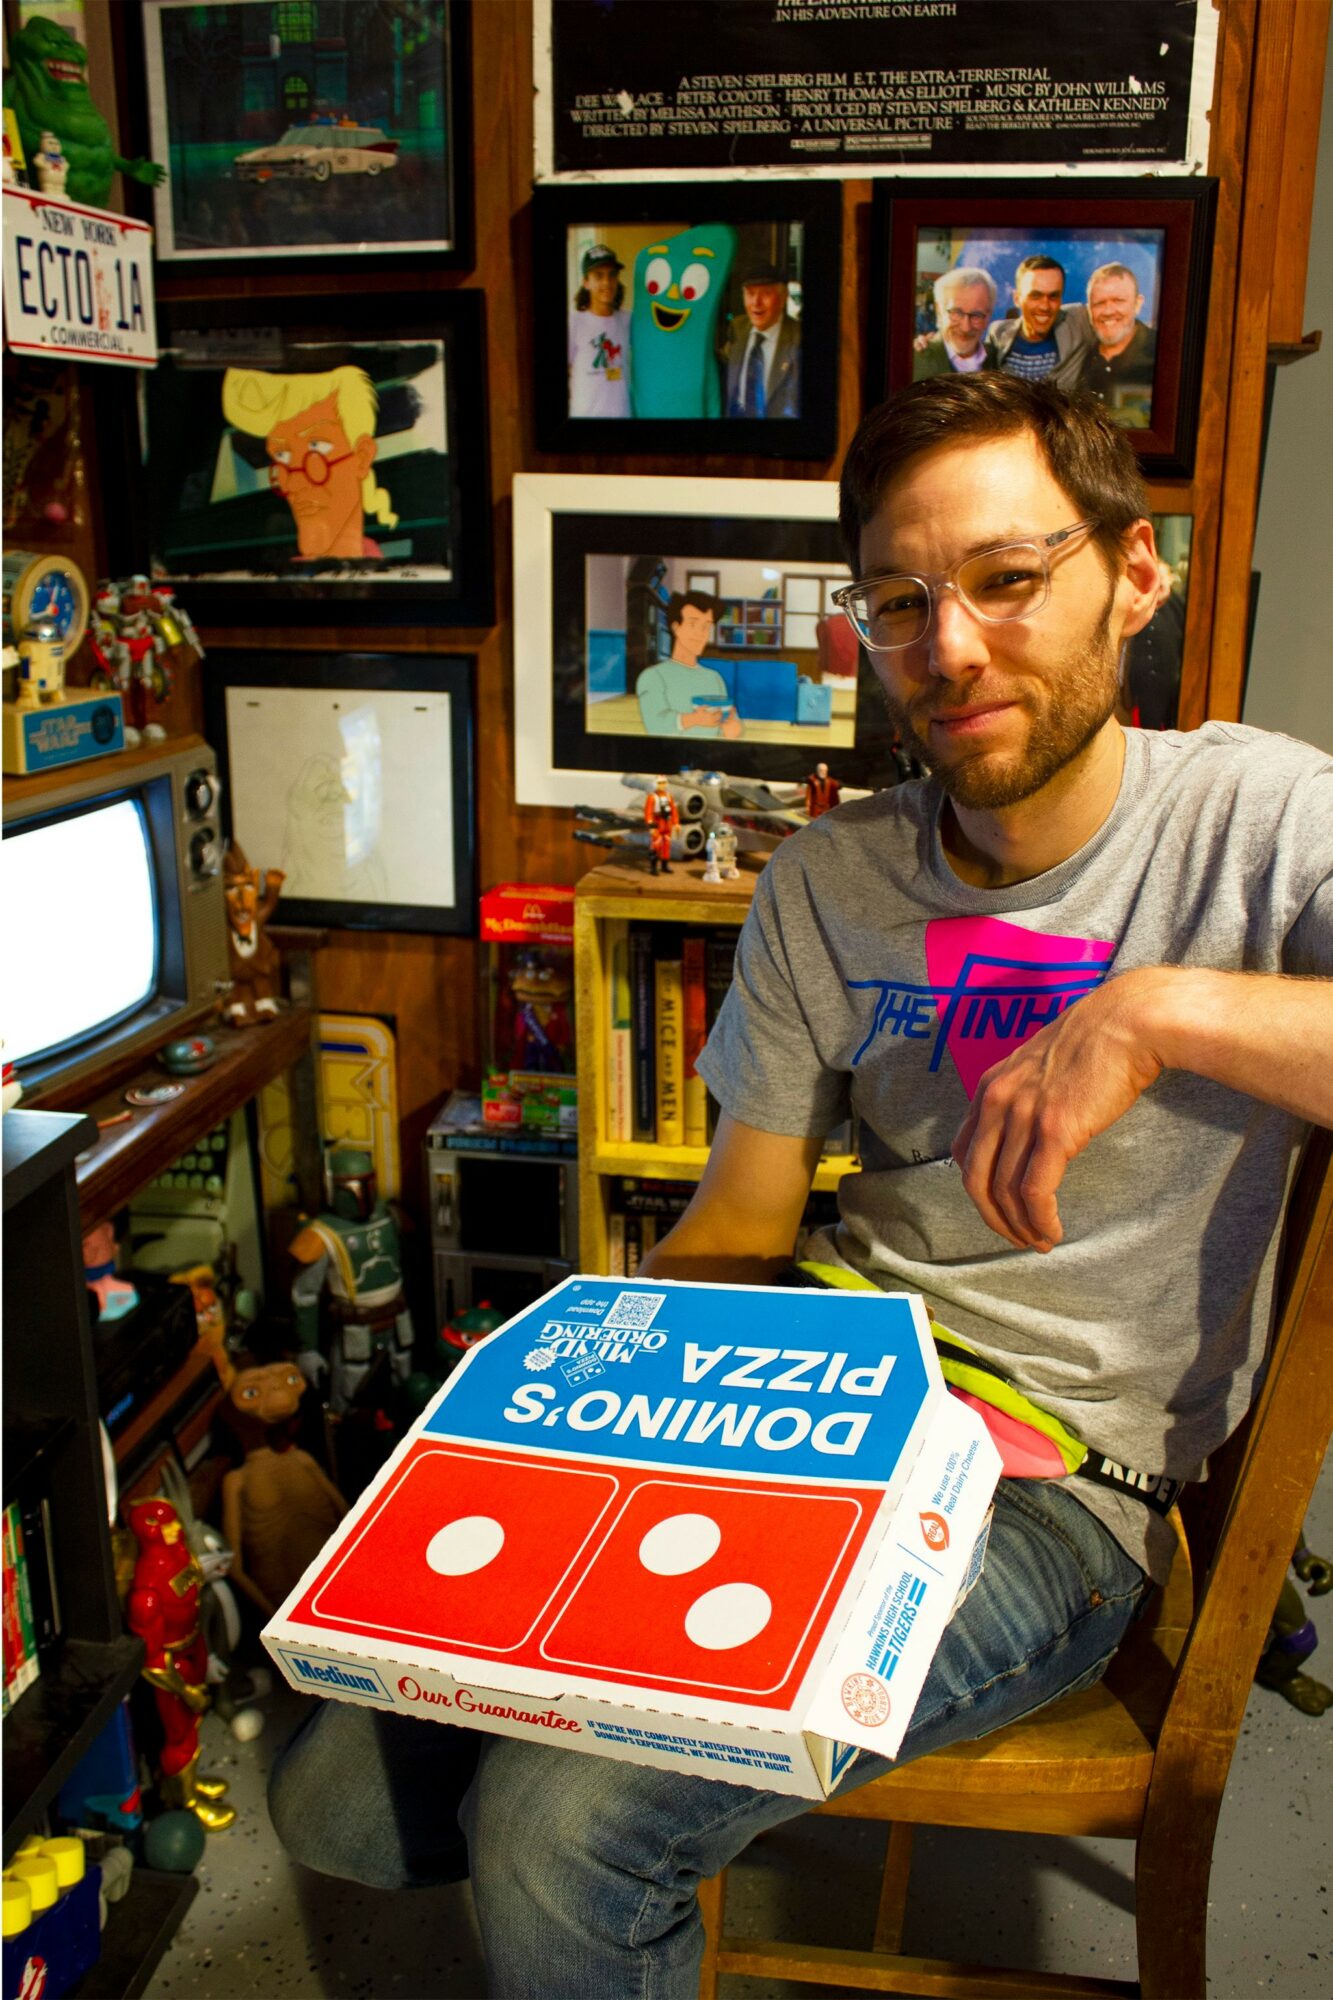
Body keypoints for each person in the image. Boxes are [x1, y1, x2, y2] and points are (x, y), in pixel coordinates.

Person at [268, 374, 1332, 1999]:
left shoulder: (1256, 820)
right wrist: (547, 1387)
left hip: (1051, 1490)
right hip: (802, 1397)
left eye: (1003, 577)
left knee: (559, 1826)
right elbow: (743, 1226)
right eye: (900, 602)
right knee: (340, 1792)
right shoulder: (824, 880)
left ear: (1131, 573)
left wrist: (1155, 1007)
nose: (950, 645)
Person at [222, 364, 396, 561]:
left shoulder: (387, 582)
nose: (294, 484)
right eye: (282, 458)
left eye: (317, 449)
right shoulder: (281, 583)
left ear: (362, 457)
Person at [635, 588, 742, 739]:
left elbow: (726, 726)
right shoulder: (653, 676)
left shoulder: (715, 678)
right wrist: (694, 719)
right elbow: (655, 726)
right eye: (693, 624)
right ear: (676, 627)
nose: (701, 634)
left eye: (706, 627)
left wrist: (732, 729)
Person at [988, 255, 1093, 391]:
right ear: (1017, 298)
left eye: (1053, 296)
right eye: (1035, 296)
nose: (1045, 306)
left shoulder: (1078, 320)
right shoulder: (998, 334)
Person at [1078, 261, 1157, 427]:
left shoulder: (1162, 355)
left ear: (1138, 304)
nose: (1108, 311)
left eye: (1118, 300)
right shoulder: (1080, 355)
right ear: (1089, 310)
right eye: (1099, 303)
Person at [724, 258, 801, 418]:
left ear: (783, 298)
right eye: (750, 294)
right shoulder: (737, 329)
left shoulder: (798, 337)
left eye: (765, 294)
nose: (756, 303)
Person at [567, 242, 631, 418]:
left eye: (612, 275)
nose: (606, 282)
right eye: (598, 276)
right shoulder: (574, 321)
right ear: (586, 282)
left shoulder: (627, 320)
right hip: (585, 420)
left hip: (623, 416)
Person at [912, 265, 998, 379]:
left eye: (976, 315)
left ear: (988, 316)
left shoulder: (997, 359)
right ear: (939, 311)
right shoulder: (915, 361)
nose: (965, 327)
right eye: (956, 313)